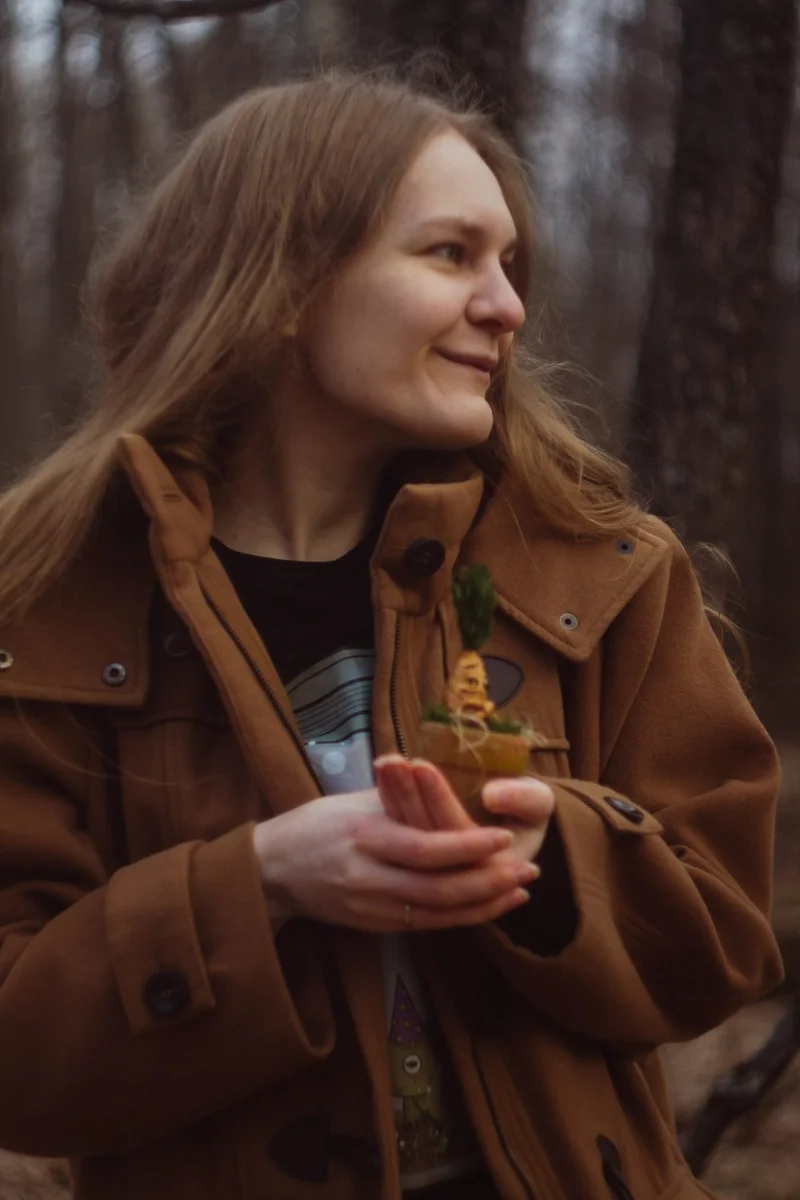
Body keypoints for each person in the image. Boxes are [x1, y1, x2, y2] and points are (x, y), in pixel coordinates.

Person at [0, 69, 783, 1200]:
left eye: (508, 263)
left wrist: (549, 857)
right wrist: (261, 883)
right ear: (280, 285)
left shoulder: (599, 570)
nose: (507, 305)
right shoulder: (45, 605)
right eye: (449, 254)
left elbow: (721, 942)